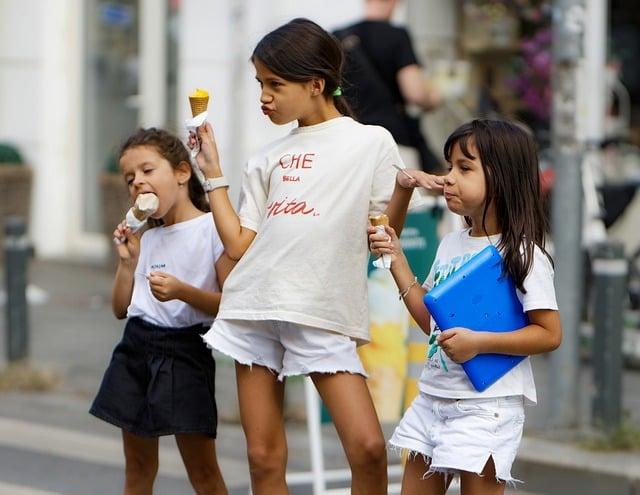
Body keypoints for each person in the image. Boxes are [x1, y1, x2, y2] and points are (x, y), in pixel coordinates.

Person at [188, 18, 443, 495]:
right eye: (260, 83)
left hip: (322, 310)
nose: (264, 96)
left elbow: (381, 236)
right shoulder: (265, 158)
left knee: (367, 449)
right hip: (255, 304)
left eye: (275, 84)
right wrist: (213, 173)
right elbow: (240, 246)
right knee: (263, 458)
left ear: (316, 84)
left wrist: (403, 191)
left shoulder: (371, 142)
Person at [368, 119, 562, 494]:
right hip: (432, 398)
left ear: (502, 177)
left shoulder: (523, 254)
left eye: (465, 168)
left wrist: (479, 343)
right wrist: (395, 258)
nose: (449, 178)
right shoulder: (451, 244)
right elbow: (431, 323)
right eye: (449, 166)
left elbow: (550, 334)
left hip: (486, 408)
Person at [90, 128, 232, 495]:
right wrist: (127, 264)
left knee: (203, 472)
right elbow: (121, 309)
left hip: (186, 353)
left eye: (148, 171)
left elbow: (230, 305)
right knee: (137, 467)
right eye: (130, 178)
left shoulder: (212, 229)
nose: (138, 182)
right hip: (135, 349)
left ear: (182, 173)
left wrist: (182, 292)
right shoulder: (146, 238)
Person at [334, 0, 442, 173]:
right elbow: (414, 93)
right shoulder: (397, 35)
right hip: (392, 139)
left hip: (348, 140)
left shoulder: (338, 36)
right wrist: (433, 99)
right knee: (403, 197)